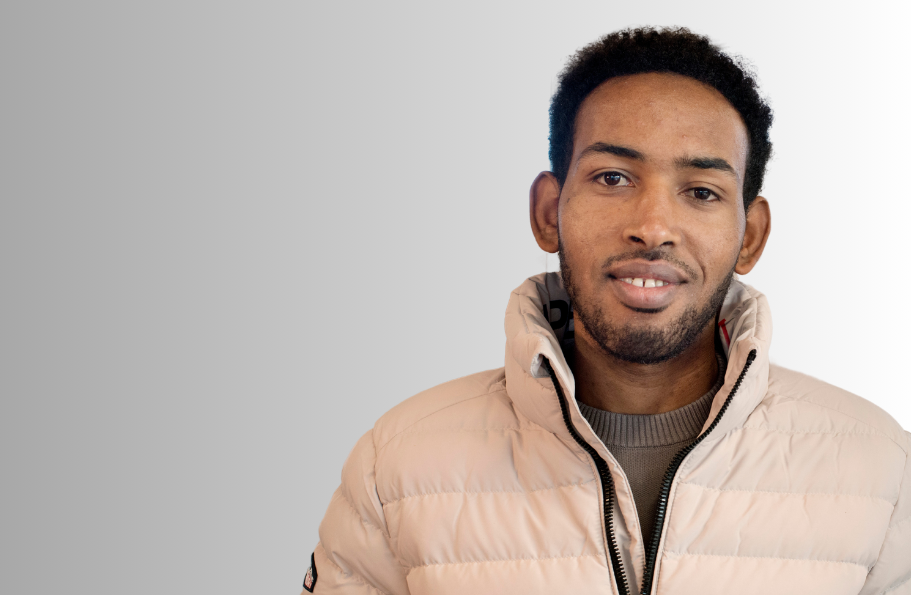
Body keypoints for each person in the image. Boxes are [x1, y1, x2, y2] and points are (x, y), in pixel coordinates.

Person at [301, 27, 910, 595]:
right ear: (548, 212)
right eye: (613, 177)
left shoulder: (882, 473)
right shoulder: (399, 466)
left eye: (701, 191)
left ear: (749, 236)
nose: (652, 228)